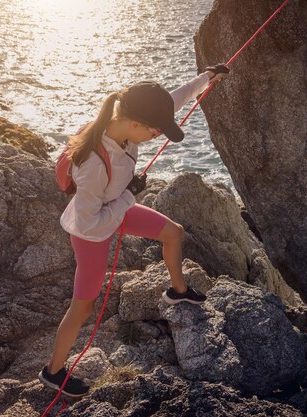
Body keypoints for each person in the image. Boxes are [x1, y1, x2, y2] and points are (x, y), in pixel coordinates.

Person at [38, 64, 230, 398]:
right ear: (136, 123)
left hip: (117, 206)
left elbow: (176, 98)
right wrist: (129, 194)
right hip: (91, 233)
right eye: (156, 132)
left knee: (174, 232)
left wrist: (207, 78)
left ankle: (178, 290)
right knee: (82, 307)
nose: (157, 135)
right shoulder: (94, 163)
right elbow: (88, 222)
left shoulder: (129, 121)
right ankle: (53, 372)